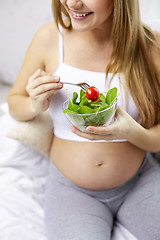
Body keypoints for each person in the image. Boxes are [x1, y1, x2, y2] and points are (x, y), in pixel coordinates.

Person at [8, 0, 160, 239]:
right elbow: (15, 104)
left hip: (140, 182)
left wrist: (132, 132)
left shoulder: (151, 45)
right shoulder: (50, 37)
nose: (72, 3)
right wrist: (34, 104)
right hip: (72, 194)